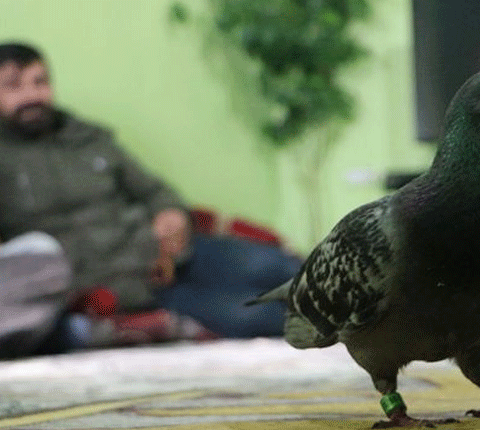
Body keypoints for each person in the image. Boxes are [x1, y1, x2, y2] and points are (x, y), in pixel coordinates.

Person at [0, 42, 302, 356]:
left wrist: (170, 215)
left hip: (172, 252)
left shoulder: (87, 138)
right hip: (131, 287)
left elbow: (156, 192)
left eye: (40, 82)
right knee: (257, 316)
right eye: (14, 86)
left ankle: (355, 305)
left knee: (280, 266)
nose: (32, 95)